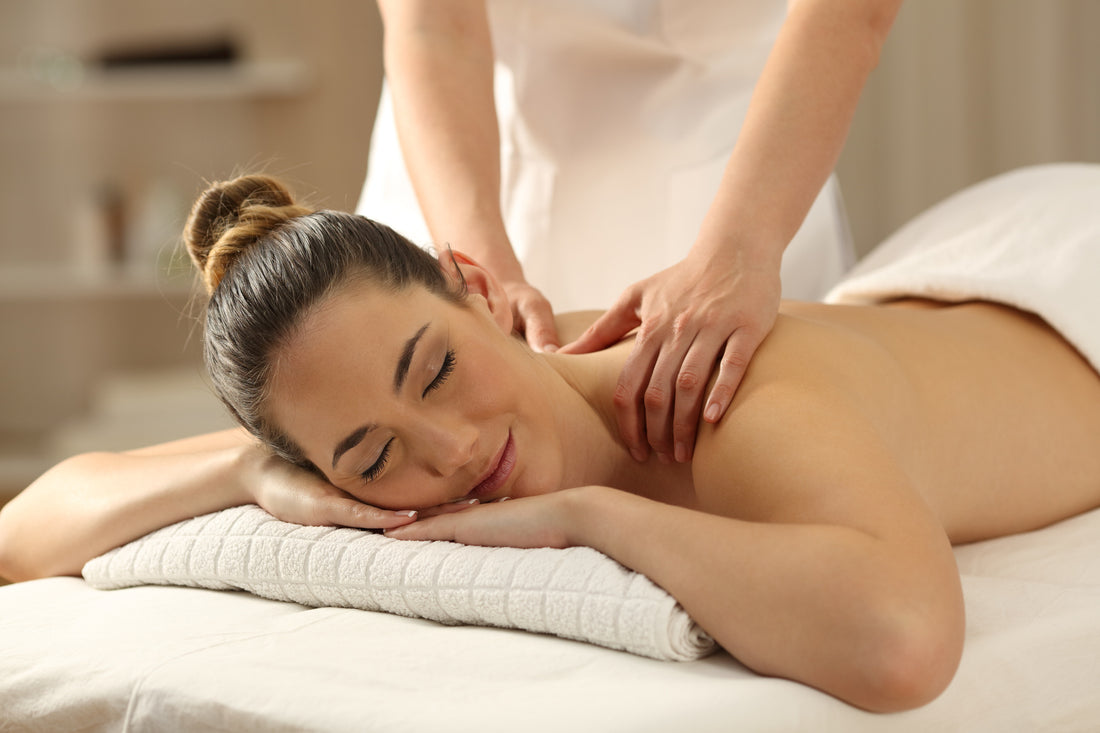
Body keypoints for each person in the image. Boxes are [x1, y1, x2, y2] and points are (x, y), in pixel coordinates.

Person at [3, 166, 1100, 713]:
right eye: (373, 458)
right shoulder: (370, 398)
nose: (447, 449)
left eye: (434, 368)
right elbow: (28, 530)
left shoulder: (720, 395)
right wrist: (251, 466)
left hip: (1063, 279)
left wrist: (592, 516)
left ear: (476, 290)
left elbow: (901, 644)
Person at [362, 0, 904, 466]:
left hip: (746, 180)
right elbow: (433, 28)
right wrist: (479, 276)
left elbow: (850, 15)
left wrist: (740, 252)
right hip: (461, 171)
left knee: (757, 454)